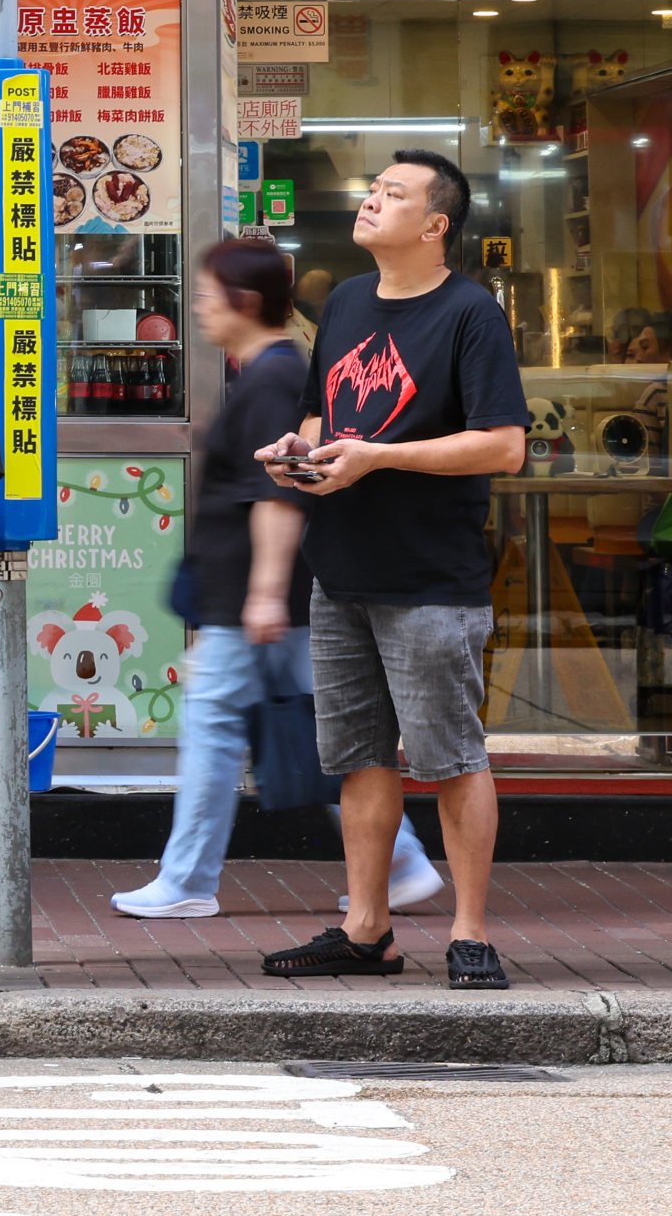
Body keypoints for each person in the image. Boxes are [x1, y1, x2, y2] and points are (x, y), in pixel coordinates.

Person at [255, 152, 527, 990]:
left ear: (437, 224)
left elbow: (504, 445)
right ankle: (365, 928)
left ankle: (471, 931)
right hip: (340, 569)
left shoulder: (469, 313)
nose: (371, 199)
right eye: (373, 189)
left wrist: (378, 458)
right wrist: (299, 450)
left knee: (450, 757)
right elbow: (321, 408)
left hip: (430, 578)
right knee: (359, 760)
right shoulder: (341, 302)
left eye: (394, 193)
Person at [114, 233, 436, 923]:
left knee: (218, 728)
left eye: (207, 295)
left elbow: (278, 492)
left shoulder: (273, 379)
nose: (198, 307)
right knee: (317, 733)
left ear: (246, 302)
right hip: (262, 599)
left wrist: (262, 593)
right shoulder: (271, 373)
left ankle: (187, 879)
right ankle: (401, 864)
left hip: (258, 601)